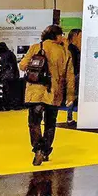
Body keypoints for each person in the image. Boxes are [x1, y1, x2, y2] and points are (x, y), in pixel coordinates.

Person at [19, 25, 75, 166]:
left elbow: (22, 65)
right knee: (50, 123)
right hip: (54, 93)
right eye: (61, 34)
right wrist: (70, 96)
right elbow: (70, 76)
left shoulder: (35, 47)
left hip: (35, 91)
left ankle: (38, 148)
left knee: (34, 122)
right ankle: (45, 150)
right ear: (56, 36)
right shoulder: (64, 52)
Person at [0, 42, 20, 110]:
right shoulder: (10, 54)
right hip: (12, 76)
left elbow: (2, 66)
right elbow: (14, 65)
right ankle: (14, 105)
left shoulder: (1, 55)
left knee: (5, 91)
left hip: (5, 76)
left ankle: (6, 105)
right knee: (12, 91)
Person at [65, 29, 81, 125]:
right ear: (75, 36)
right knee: (73, 95)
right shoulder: (72, 49)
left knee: (73, 95)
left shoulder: (72, 48)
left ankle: (70, 117)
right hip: (74, 74)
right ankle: (69, 118)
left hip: (74, 74)